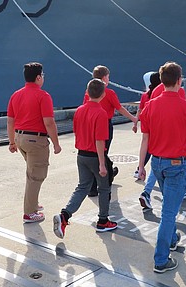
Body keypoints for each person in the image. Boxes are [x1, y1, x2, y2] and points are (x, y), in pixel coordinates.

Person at [137, 61, 186, 273]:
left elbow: (145, 140)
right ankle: (161, 259)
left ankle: (171, 239)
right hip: (177, 164)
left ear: (162, 80)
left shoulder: (150, 106)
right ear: (180, 81)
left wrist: (141, 166)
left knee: (168, 209)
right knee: (169, 213)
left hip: (157, 163)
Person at [53, 79, 117, 239]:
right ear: (103, 94)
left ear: (87, 92)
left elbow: (77, 131)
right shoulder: (101, 113)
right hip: (95, 156)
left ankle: (65, 215)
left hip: (81, 155)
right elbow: (100, 140)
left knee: (82, 187)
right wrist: (103, 164)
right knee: (104, 188)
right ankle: (103, 220)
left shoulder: (79, 110)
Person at [7, 62, 61, 223]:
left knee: (32, 172)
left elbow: (10, 121)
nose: (43, 78)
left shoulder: (16, 95)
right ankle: (29, 213)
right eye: (42, 75)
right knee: (36, 176)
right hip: (36, 140)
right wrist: (56, 143)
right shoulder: (43, 96)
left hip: (20, 138)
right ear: (38, 77)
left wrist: (12, 142)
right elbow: (49, 122)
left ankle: (33, 203)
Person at [84, 65, 137, 196]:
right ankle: (104, 177)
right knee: (103, 151)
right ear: (104, 78)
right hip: (104, 125)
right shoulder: (109, 93)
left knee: (94, 152)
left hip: (90, 125)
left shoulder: (88, 92)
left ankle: (98, 180)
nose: (109, 79)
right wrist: (133, 118)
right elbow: (120, 108)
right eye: (108, 76)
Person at [133, 72, 161, 178]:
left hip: (147, 125)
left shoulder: (145, 95)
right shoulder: (160, 94)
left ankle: (139, 168)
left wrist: (135, 123)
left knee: (147, 147)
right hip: (158, 125)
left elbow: (140, 110)